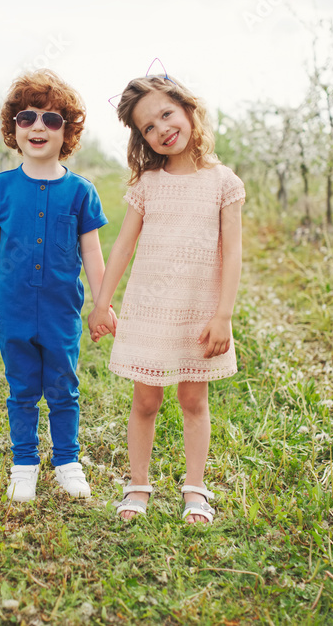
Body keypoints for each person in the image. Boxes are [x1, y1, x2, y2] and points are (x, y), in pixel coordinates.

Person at [87, 71, 245, 524]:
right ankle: (138, 486)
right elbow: (123, 246)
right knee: (146, 401)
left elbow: (232, 252)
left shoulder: (223, 182)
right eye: (148, 128)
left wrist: (224, 315)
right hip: (149, 310)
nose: (161, 130)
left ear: (189, 110)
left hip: (198, 311)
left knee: (194, 400)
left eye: (166, 115)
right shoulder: (147, 185)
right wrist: (102, 301)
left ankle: (195, 490)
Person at [0, 69, 114, 503]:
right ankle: (24, 465)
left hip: (60, 309)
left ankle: (68, 462)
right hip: (12, 305)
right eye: (27, 117)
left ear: (66, 132)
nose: (38, 127)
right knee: (21, 388)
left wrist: (102, 303)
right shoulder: (0, 187)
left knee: (62, 385)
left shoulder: (80, 191)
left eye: (52, 120)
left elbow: (91, 252)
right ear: (13, 129)